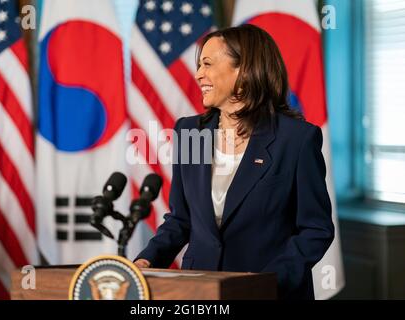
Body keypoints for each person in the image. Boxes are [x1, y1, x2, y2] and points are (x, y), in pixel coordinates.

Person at [134, 24, 334, 300]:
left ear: (244, 70)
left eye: (207, 64)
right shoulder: (191, 132)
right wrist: (147, 260)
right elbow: (181, 219)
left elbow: (316, 229)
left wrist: (269, 280)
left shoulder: (296, 140)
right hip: (200, 291)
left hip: (269, 292)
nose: (198, 74)